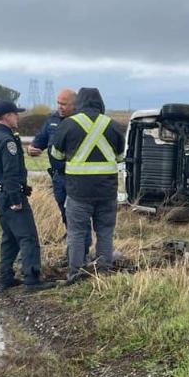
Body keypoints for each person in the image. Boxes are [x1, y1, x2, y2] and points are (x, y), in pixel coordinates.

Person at [51, 88, 125, 285]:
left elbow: (56, 156)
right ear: (101, 103)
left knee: (76, 232)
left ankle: (75, 275)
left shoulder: (68, 125)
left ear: (79, 103)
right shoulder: (114, 126)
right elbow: (120, 157)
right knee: (105, 231)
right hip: (107, 191)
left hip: (78, 191)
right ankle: (103, 272)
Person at [0, 100, 55, 292]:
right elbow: (11, 173)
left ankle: (5, 276)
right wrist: (16, 199)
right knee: (28, 237)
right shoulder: (8, 141)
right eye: (15, 114)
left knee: (10, 238)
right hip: (11, 196)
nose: (17, 117)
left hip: (0, 195)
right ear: (6, 116)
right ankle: (32, 279)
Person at [27, 88, 91, 258]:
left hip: (77, 179)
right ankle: (73, 251)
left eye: (64, 104)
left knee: (78, 216)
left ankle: (80, 254)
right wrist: (32, 148)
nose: (60, 107)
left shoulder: (82, 121)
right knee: (66, 215)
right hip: (58, 178)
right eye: (58, 103)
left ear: (74, 104)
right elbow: (39, 141)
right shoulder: (52, 121)